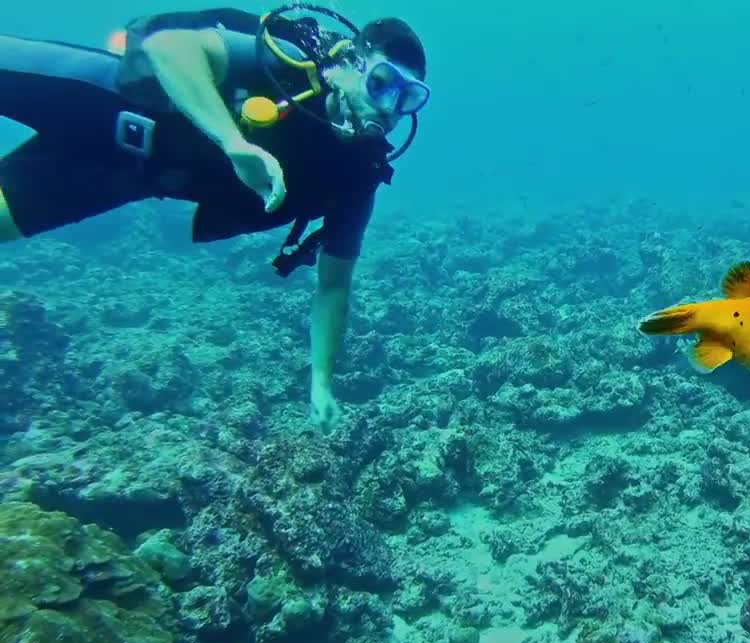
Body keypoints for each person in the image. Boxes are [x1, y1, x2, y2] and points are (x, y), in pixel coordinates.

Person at [0, 6, 430, 432]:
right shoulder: (285, 63)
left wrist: (321, 383)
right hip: (93, 94)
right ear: (347, 65)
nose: (389, 110)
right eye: (382, 83)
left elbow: (333, 285)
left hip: (117, 175)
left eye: (408, 98)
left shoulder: (355, 175)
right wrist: (230, 141)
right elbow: (169, 46)